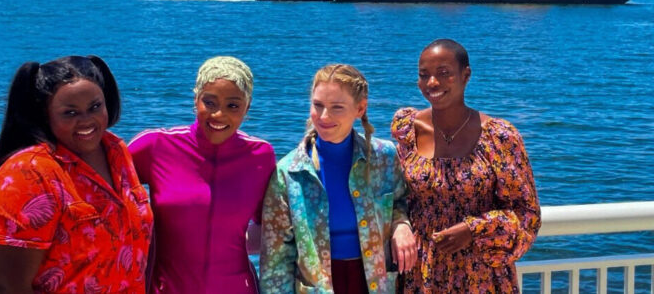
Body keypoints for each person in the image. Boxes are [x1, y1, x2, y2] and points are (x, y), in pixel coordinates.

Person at [0, 55, 153, 293]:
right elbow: (4, 286)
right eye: (70, 113)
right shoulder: (30, 172)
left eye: (95, 107)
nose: (86, 120)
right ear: (45, 115)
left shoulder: (115, 149)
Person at [390, 39, 541, 293]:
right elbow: (394, 196)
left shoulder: (499, 137)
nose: (432, 83)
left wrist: (474, 229)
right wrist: (400, 225)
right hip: (421, 272)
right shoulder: (408, 130)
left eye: (444, 73)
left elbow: (527, 215)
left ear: (465, 75)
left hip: (480, 275)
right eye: (424, 75)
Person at [260, 64, 416, 294]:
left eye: (337, 107)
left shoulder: (384, 157)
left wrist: (401, 226)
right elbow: (276, 261)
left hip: (376, 284)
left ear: (360, 108)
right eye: (318, 105)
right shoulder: (289, 173)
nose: (324, 116)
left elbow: (400, 203)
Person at [128, 56, 275, 294]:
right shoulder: (155, 146)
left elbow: (270, 226)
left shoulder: (260, 155)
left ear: (247, 108)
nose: (218, 114)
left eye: (233, 105)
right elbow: (101, 186)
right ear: (195, 100)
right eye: (210, 102)